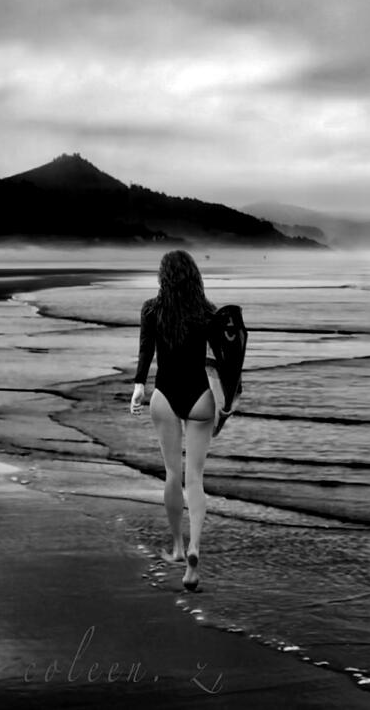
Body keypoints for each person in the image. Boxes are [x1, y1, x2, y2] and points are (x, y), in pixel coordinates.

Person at [129, 249, 224, 591]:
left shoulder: (152, 310)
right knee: (195, 478)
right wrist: (227, 401)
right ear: (194, 276)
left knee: (172, 474)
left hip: (164, 395)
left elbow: (146, 352)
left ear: (163, 276)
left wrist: (139, 386)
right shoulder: (208, 312)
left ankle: (178, 547)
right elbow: (222, 361)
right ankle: (196, 549)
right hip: (201, 397)